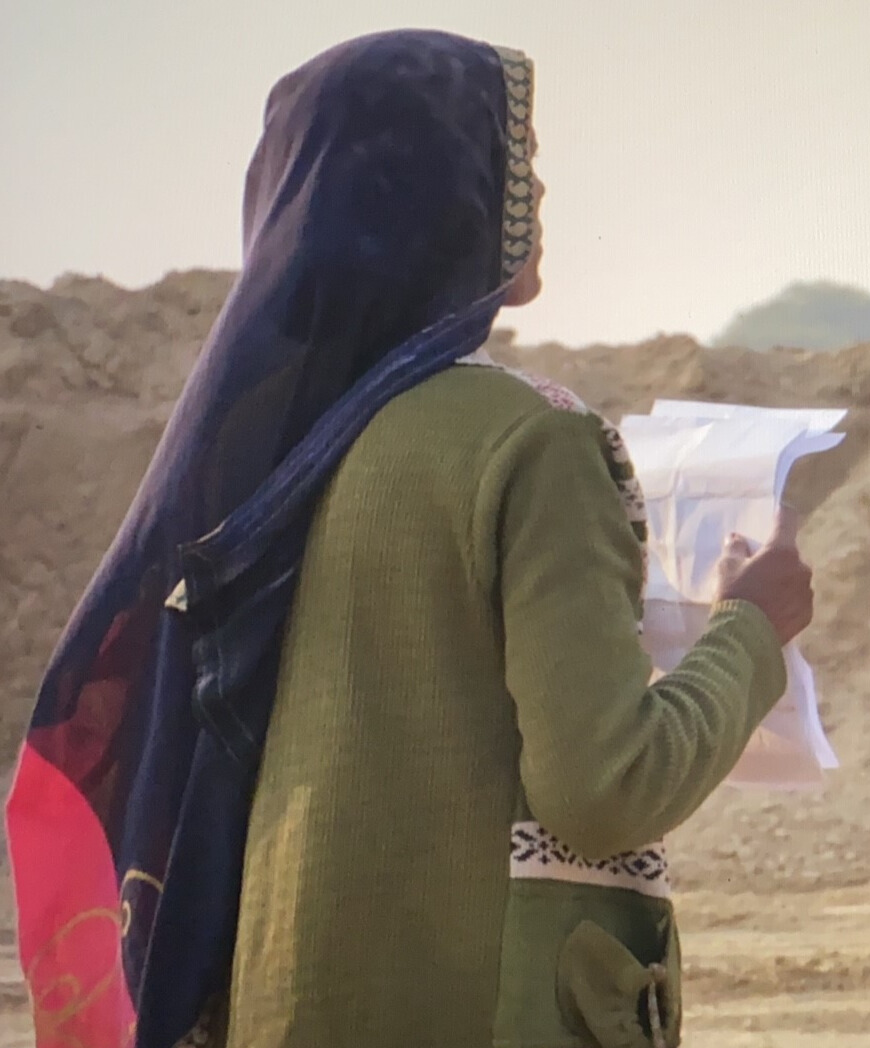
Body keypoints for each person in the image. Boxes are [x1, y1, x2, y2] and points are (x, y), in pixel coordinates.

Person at [6, 29, 812, 1048]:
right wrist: (752, 634)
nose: (541, 192)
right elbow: (606, 786)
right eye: (513, 160)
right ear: (438, 199)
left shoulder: (270, 457)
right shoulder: (537, 442)